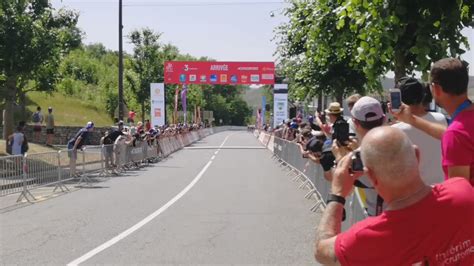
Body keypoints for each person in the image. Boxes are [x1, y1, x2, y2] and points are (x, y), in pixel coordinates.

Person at [314, 126, 474, 266]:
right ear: (417, 156)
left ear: (371, 176)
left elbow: (321, 251)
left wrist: (337, 194)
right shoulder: (463, 191)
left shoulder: (366, 237)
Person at [392, 58, 474, 185]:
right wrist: (411, 120)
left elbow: (459, 195)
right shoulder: (459, 129)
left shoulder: (456, 134)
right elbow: (455, 134)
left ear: (436, 89)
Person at [391, 77, 447, 185]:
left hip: (415, 194)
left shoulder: (395, 131)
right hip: (442, 187)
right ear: (423, 95)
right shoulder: (440, 119)